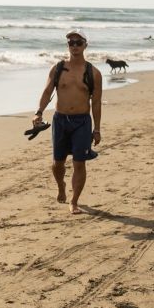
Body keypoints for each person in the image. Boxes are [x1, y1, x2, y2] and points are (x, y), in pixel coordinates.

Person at [32, 30, 103, 215]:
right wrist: (38, 113)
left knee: (80, 163)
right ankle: (61, 186)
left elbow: (96, 103)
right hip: (60, 120)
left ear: (85, 45)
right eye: (71, 42)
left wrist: (97, 129)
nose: (75, 46)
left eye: (79, 42)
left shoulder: (93, 73)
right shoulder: (57, 69)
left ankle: (74, 200)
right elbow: (47, 92)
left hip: (82, 122)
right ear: (68, 45)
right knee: (57, 164)